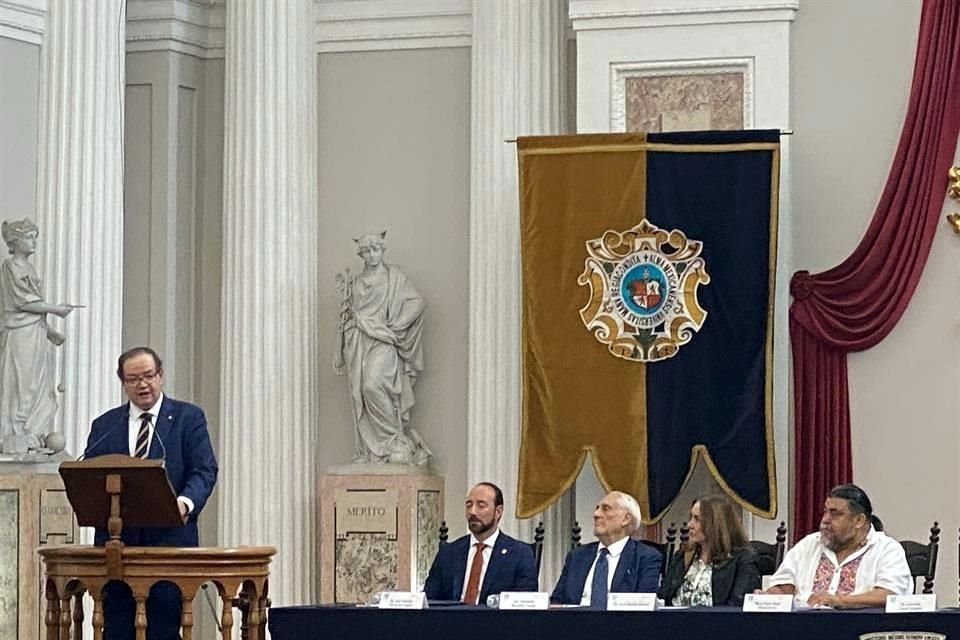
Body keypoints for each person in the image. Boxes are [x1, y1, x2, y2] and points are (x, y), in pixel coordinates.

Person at [83, 347, 218, 640]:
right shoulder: (105, 426)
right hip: (117, 550)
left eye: (148, 376)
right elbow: (88, 474)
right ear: (123, 382)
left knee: (162, 630)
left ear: (161, 375)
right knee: (117, 629)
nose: (142, 384)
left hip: (168, 548)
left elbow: (204, 471)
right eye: (133, 379)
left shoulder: (188, 418)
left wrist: (183, 504)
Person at [333, 231, 432, 466]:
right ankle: (371, 451)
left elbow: (417, 303)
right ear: (361, 255)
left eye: (375, 249)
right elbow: (351, 312)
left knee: (372, 384)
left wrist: (396, 325)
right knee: (360, 394)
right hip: (358, 340)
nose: (371, 254)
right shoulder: (355, 282)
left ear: (382, 250)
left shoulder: (394, 278)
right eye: (366, 251)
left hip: (384, 341)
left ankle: (394, 440)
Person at [762, 483, 911, 608]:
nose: (825, 520)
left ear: (859, 520)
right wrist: (769, 597)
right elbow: (783, 587)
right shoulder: (808, 545)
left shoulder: (886, 549)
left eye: (835, 514)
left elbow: (890, 595)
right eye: (825, 512)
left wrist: (840, 601)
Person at [0, 218, 74, 452]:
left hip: (35, 332)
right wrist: (55, 309)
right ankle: (15, 432)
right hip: (20, 334)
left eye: (35, 237)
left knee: (39, 385)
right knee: (22, 384)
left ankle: (32, 431)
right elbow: (21, 302)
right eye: (29, 237)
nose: (33, 242)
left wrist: (51, 333)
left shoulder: (29, 268)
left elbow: (34, 309)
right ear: (15, 241)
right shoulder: (11, 266)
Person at [423, 482, 538, 604]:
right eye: (469, 505)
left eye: (481, 506)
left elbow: (524, 605)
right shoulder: (449, 553)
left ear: (498, 512)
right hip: (452, 620)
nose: (472, 512)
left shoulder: (520, 554)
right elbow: (429, 600)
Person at [551, 491, 661, 607]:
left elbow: (644, 607)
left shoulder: (646, 557)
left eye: (606, 509)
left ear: (626, 519)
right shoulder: (577, 556)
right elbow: (557, 601)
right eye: (597, 508)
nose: (596, 514)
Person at [658, 495, 760, 606]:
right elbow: (663, 597)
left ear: (716, 524)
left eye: (697, 519)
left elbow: (737, 607)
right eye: (691, 517)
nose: (689, 525)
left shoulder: (742, 560)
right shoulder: (682, 555)